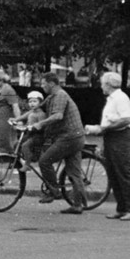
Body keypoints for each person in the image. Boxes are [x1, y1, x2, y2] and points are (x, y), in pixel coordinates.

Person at [85, 72, 130, 221]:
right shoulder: (112, 99)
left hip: (120, 137)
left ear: (108, 85)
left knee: (122, 173)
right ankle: (122, 208)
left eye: (102, 84)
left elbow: (126, 119)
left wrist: (102, 128)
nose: (101, 86)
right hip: (112, 137)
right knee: (113, 173)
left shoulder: (120, 98)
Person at [30, 72, 86, 214]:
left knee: (44, 161)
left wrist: (40, 124)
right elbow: (36, 109)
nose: (42, 86)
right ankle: (77, 205)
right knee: (74, 172)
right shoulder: (51, 97)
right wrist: (18, 119)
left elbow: (58, 115)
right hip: (76, 136)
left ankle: (54, 191)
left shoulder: (60, 95)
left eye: (43, 84)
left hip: (69, 137)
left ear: (51, 83)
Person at [0, 69, 22, 178]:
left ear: (1, 79)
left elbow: (15, 106)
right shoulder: (0, 89)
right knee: (0, 143)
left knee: (1, 144)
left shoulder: (8, 90)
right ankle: (14, 165)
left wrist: (18, 121)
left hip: (4, 123)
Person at [9, 90, 47, 170]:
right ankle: (17, 162)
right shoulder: (31, 112)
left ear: (40, 103)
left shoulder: (41, 114)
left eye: (34, 101)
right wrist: (15, 120)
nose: (32, 103)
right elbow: (23, 117)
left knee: (25, 146)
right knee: (16, 144)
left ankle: (27, 164)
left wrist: (33, 127)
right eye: (30, 101)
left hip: (38, 136)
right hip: (30, 134)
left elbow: (42, 125)